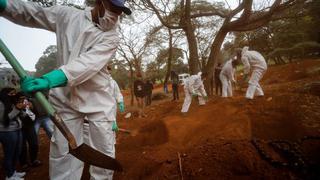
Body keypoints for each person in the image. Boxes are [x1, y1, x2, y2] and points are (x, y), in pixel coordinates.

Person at [1, 0, 132, 179]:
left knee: (104, 153)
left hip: (97, 101)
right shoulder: (67, 16)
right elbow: (34, 13)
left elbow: (86, 65)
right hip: (64, 100)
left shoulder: (112, 36)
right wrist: (5, 6)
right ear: (100, 2)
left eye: (120, 12)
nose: (116, 16)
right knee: (62, 155)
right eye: (113, 9)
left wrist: (49, 79)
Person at [0, 87, 26, 180]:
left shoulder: (12, 102)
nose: (13, 95)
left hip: (17, 129)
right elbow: (4, 120)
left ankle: (13, 171)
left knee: (16, 152)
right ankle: (9, 175)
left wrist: (23, 109)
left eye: (14, 93)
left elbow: (22, 116)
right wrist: (16, 109)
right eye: (11, 94)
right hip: (7, 132)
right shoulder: (1, 104)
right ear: (4, 94)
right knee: (9, 153)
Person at [17, 94, 42, 171]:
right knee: (22, 146)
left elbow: (36, 114)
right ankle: (23, 164)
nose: (23, 100)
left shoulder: (29, 102)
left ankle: (34, 160)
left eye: (24, 98)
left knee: (34, 143)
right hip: (19, 128)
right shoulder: (15, 104)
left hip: (30, 126)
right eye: (21, 98)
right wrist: (18, 108)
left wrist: (32, 108)